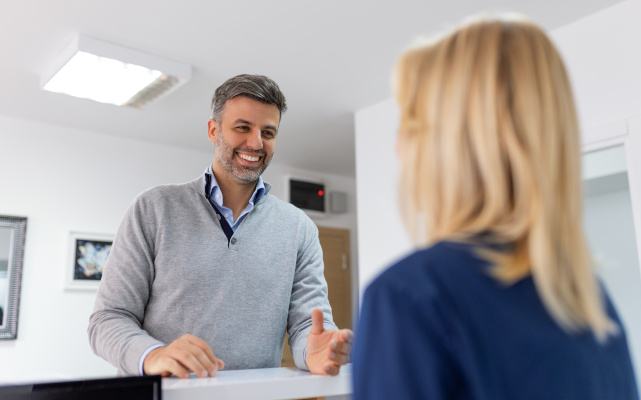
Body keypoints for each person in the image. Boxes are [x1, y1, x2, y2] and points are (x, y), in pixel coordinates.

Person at [352, 16, 639, 399]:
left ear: (449, 144)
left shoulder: (409, 297)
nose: (398, 145)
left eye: (411, 122)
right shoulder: (587, 299)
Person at [88, 74, 352, 378]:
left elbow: (308, 324)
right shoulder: (154, 209)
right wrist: (153, 355)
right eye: (243, 127)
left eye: (268, 132)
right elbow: (108, 319)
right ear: (214, 130)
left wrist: (315, 350)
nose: (256, 142)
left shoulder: (299, 228)